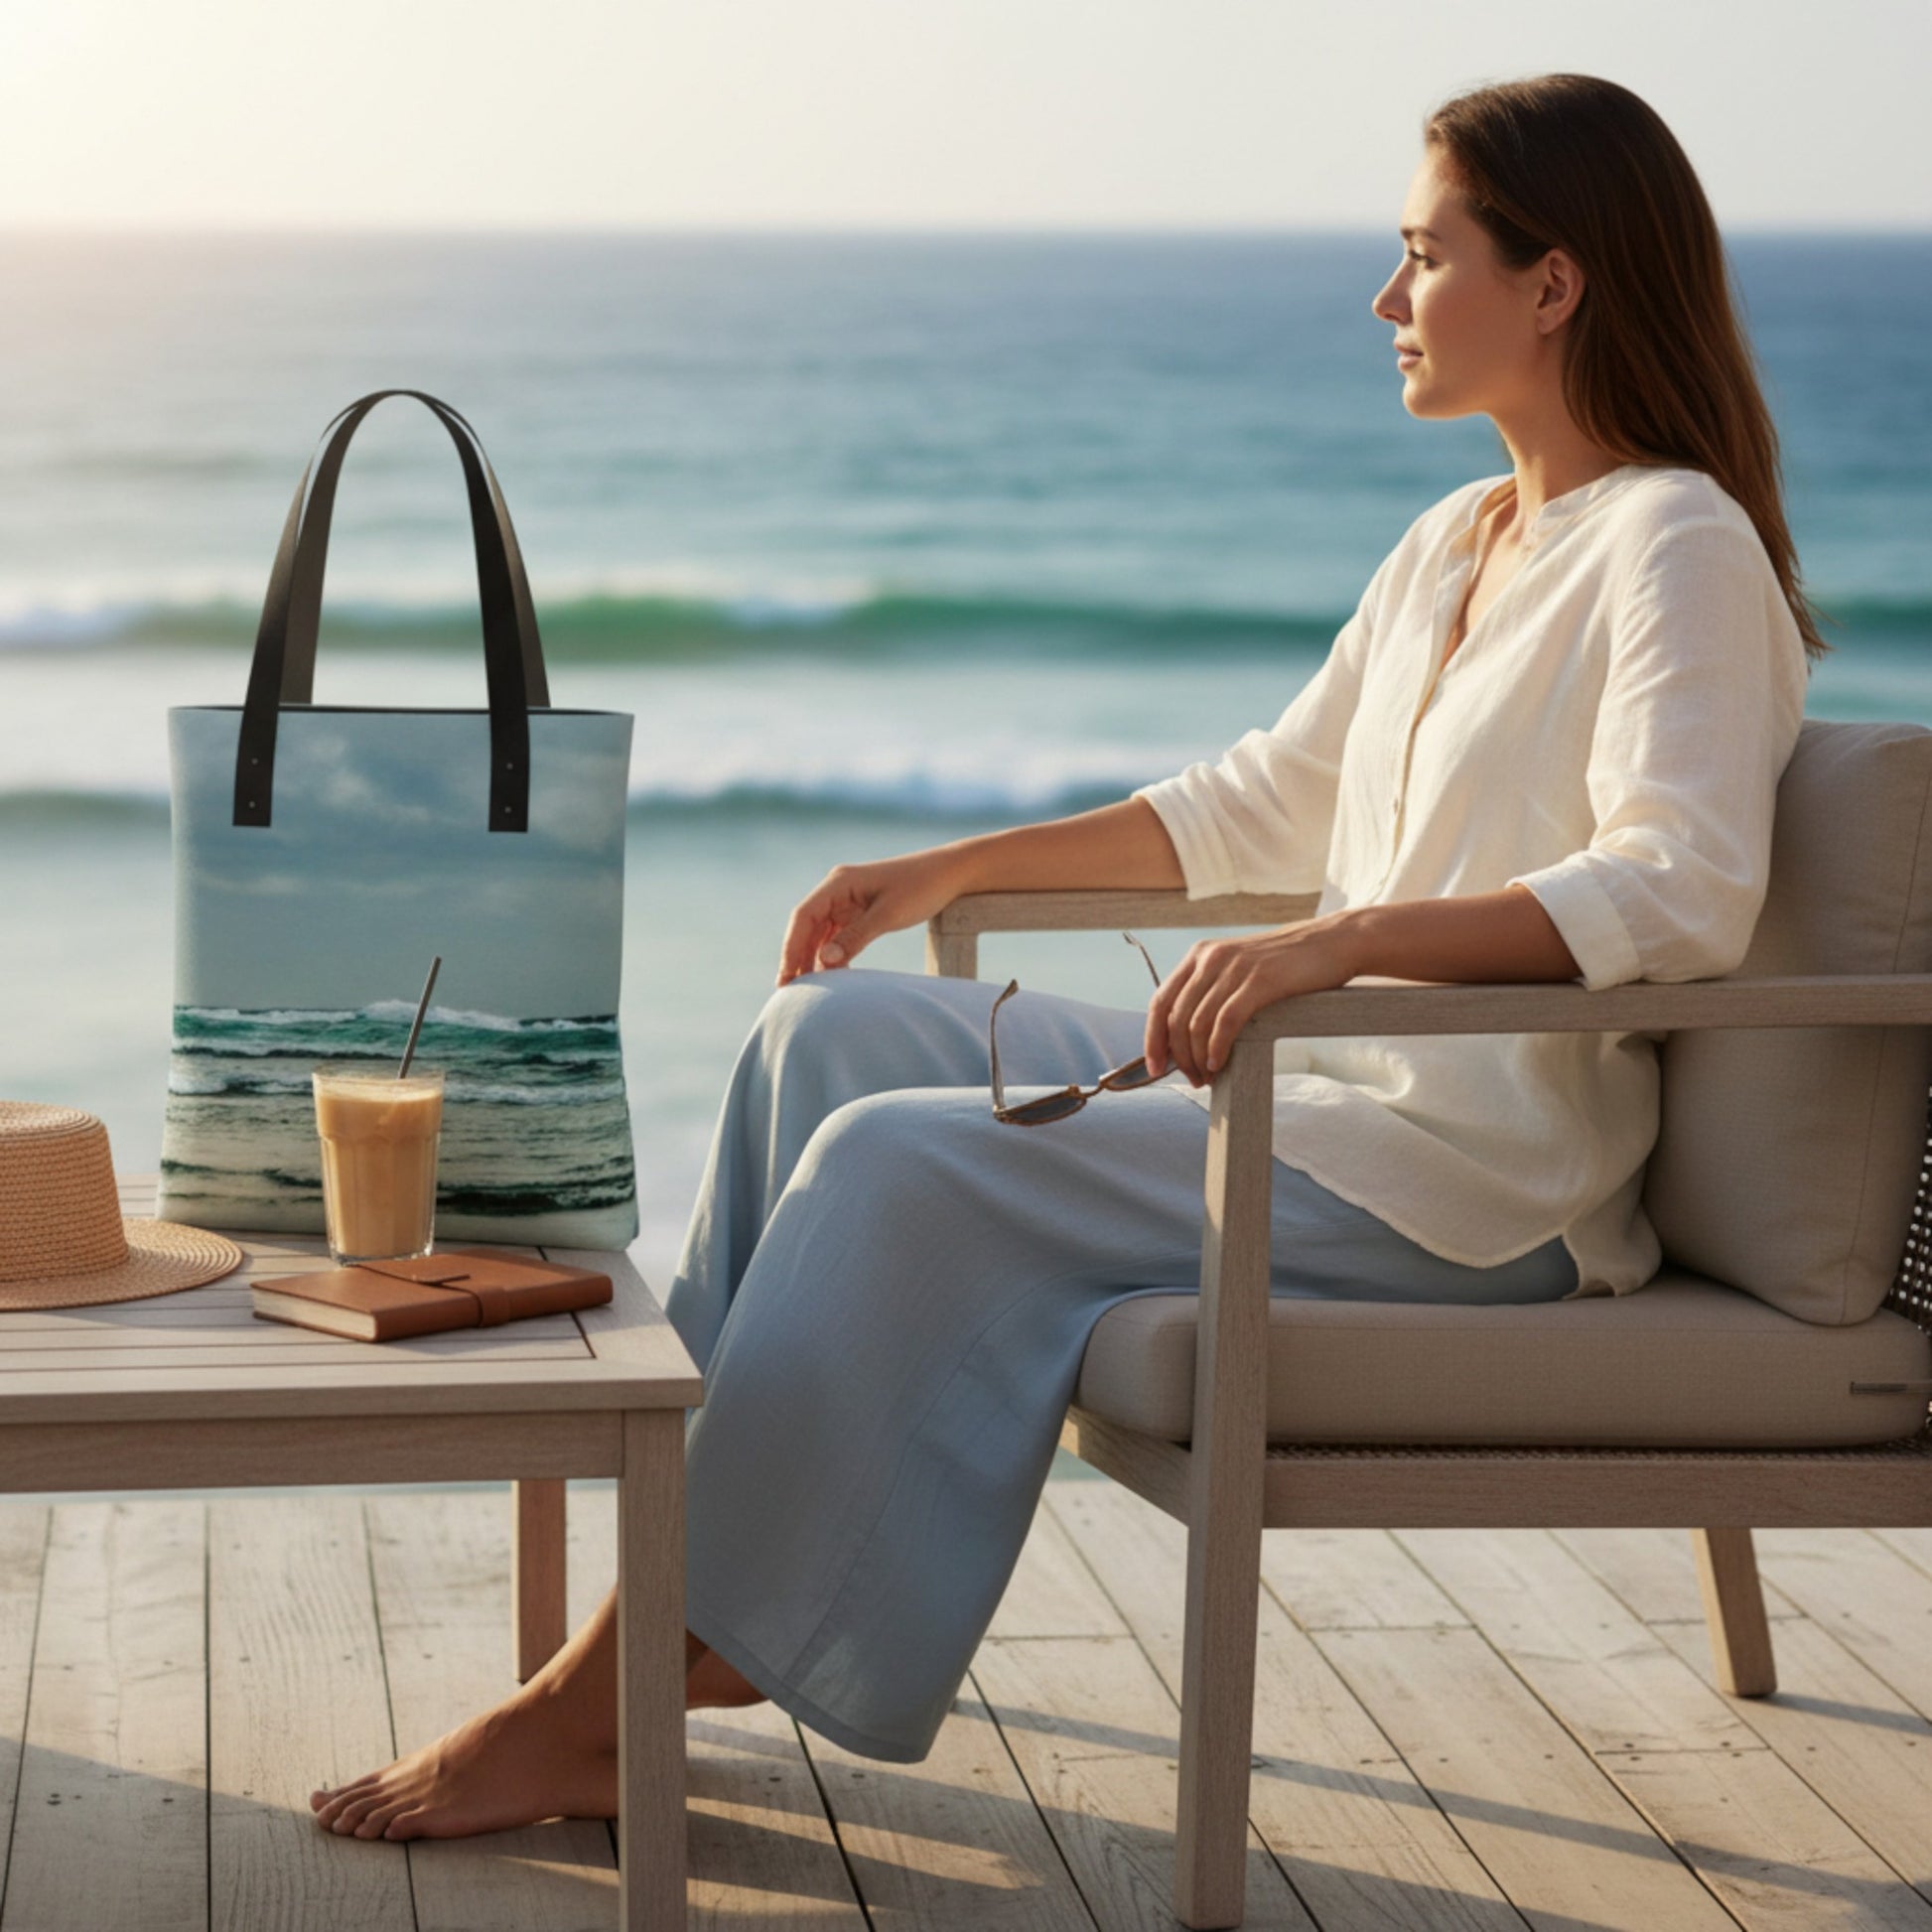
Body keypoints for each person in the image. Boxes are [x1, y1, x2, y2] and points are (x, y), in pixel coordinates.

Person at [309, 70, 1824, 1840]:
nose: (1384, 299)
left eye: (1422, 256)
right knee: (827, 1037)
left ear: (1552, 283)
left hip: (1468, 1185)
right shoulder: (1456, 542)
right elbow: (1261, 799)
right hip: (1320, 1102)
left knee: (898, 1162)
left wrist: (1337, 945)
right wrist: (941, 865)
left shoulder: (1674, 545)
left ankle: (610, 1695)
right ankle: (664, 1600)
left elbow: (1678, 886)